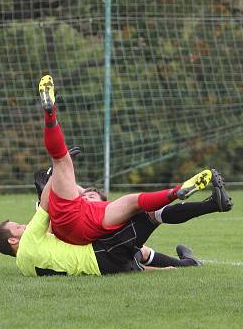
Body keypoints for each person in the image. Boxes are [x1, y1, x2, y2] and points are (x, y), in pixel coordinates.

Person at [31, 74, 213, 246]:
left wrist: (63, 171)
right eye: (88, 193)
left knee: (61, 160)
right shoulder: (100, 208)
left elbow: (66, 189)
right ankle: (175, 192)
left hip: (75, 218)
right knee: (134, 201)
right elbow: (75, 189)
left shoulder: (98, 207)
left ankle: (50, 114)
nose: (88, 193)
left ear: (101, 199)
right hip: (89, 221)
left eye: (91, 194)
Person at [0, 170, 232, 276]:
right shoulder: (30, 242)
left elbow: (56, 224)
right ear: (13, 239)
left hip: (100, 255)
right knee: (149, 212)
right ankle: (209, 204)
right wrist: (57, 170)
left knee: (140, 250)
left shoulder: (25, 265)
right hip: (101, 255)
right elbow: (46, 210)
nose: (24, 225)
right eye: (18, 227)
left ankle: (189, 262)